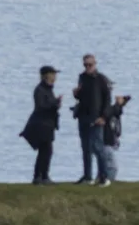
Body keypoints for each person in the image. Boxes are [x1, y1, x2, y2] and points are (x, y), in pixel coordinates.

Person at [72, 54, 114, 185]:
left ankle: (104, 176)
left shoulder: (101, 79)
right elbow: (81, 97)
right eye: (85, 65)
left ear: (95, 64)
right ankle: (87, 176)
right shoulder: (82, 78)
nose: (88, 67)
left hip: (97, 118)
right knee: (85, 148)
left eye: (90, 65)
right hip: (83, 116)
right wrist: (76, 94)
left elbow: (107, 100)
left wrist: (104, 117)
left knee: (98, 148)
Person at [22, 66, 62, 184]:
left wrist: (55, 104)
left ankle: (43, 175)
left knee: (47, 151)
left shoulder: (48, 89)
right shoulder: (40, 90)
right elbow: (41, 106)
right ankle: (39, 176)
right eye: (53, 74)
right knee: (45, 151)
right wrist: (55, 103)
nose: (55, 77)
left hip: (48, 124)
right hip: (41, 125)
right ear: (46, 76)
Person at [98, 91, 131, 185]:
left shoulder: (112, 109)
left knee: (105, 164)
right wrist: (118, 104)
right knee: (112, 167)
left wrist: (121, 103)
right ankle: (107, 182)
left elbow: (117, 111)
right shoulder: (106, 109)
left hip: (109, 140)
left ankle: (103, 179)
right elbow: (110, 112)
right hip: (106, 140)